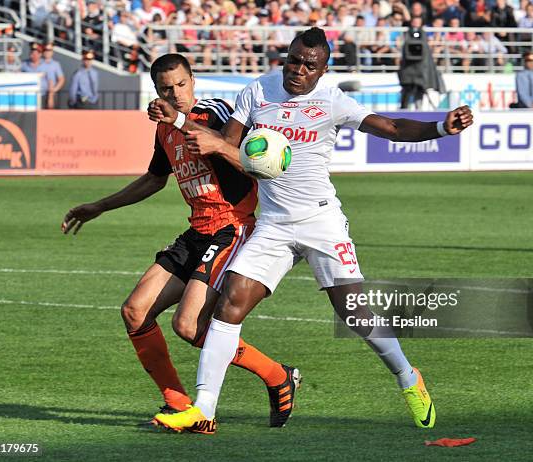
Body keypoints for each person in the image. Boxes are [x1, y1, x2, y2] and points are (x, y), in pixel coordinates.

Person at [149, 27, 473, 433]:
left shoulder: (332, 101)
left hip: (320, 221)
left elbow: (390, 128)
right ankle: (204, 409)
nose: (298, 70)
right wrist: (180, 119)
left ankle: (409, 377)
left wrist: (441, 129)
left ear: (323, 70)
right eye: (293, 60)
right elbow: (225, 144)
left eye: (309, 65)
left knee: (354, 312)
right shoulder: (258, 91)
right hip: (272, 223)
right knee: (230, 303)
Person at [62, 53, 298, 433]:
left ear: (193, 81)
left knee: (188, 326)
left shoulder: (216, 112)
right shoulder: (164, 129)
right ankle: (179, 403)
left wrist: (183, 120)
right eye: (166, 89)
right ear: (157, 91)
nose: (176, 93)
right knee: (135, 312)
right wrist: (99, 206)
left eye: (181, 85)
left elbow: (239, 153)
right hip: (197, 232)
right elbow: (155, 179)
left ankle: (275, 376)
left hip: (233, 226)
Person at [39, 42, 65, 109]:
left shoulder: (56, 64)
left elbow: (61, 79)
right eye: (46, 50)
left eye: (49, 50)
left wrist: (54, 89)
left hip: (51, 93)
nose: (47, 52)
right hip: (40, 93)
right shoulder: (38, 62)